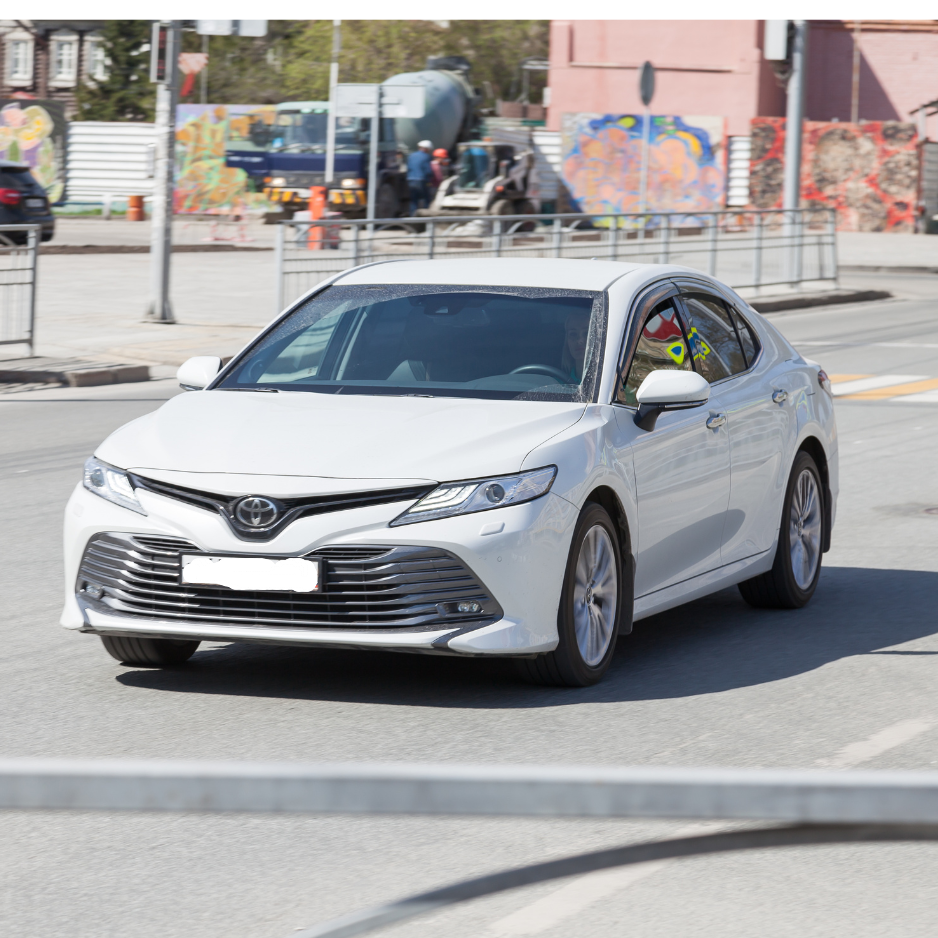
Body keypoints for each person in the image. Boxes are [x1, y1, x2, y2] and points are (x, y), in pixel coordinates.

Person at [561, 309, 591, 383]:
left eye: (586, 333)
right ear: (567, 341)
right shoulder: (557, 384)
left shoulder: (610, 382)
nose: (579, 341)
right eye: (573, 334)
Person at [407, 140, 433, 215]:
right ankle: (425, 218)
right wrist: (431, 178)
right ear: (426, 149)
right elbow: (428, 170)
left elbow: (409, 168)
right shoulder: (426, 157)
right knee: (426, 199)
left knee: (413, 200)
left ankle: (412, 217)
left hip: (410, 180)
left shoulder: (411, 156)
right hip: (421, 180)